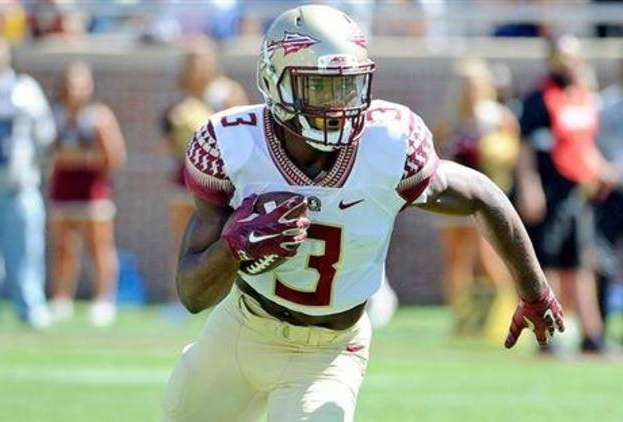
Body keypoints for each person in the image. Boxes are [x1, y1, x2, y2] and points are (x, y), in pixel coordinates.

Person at [162, 6, 564, 422]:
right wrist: (233, 247)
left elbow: (483, 195)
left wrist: (535, 291)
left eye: (348, 86)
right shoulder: (233, 144)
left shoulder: (387, 142)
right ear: (274, 81)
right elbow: (192, 294)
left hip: (329, 353)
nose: (338, 104)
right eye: (319, 87)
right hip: (241, 329)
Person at [515, 35, 615, 353]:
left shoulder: (582, 97)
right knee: (546, 262)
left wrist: (604, 172)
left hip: (577, 193)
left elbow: (582, 147)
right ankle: (546, 337)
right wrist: (529, 185)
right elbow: (526, 146)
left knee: (581, 262)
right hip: (549, 190)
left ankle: (592, 335)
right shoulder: (539, 98)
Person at [160, 40, 247, 318]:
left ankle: (226, 301)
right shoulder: (179, 100)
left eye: (201, 59)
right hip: (185, 178)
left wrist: (206, 124)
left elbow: (246, 136)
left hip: (223, 181)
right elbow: (165, 145)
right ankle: (177, 299)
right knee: (181, 240)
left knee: (227, 238)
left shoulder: (227, 93)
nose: (196, 66)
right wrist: (182, 136)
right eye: (191, 60)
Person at [436, 58, 520, 336]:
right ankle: (462, 317)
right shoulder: (450, 119)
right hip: (451, 197)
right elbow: (436, 152)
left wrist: (494, 151)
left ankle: (506, 315)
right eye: (465, 85)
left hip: (484, 198)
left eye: (474, 84)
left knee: (487, 257)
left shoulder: (498, 117)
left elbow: (512, 154)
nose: (469, 90)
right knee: (454, 258)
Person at [47, 62, 126, 327]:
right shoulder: (55, 115)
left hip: (93, 192)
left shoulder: (99, 116)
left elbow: (114, 156)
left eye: (81, 83)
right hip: (62, 191)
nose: (76, 89)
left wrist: (80, 159)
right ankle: (61, 299)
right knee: (63, 248)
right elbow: (49, 153)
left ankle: (104, 300)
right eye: (71, 82)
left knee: (99, 246)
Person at [0, 38, 55, 328]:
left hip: (18, 187)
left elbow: (45, 135)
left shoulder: (25, 90)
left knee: (26, 253)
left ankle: (31, 310)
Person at [594, 60, 623, 336]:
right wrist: (604, 170)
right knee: (603, 259)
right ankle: (599, 327)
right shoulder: (604, 104)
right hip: (610, 193)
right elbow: (590, 145)